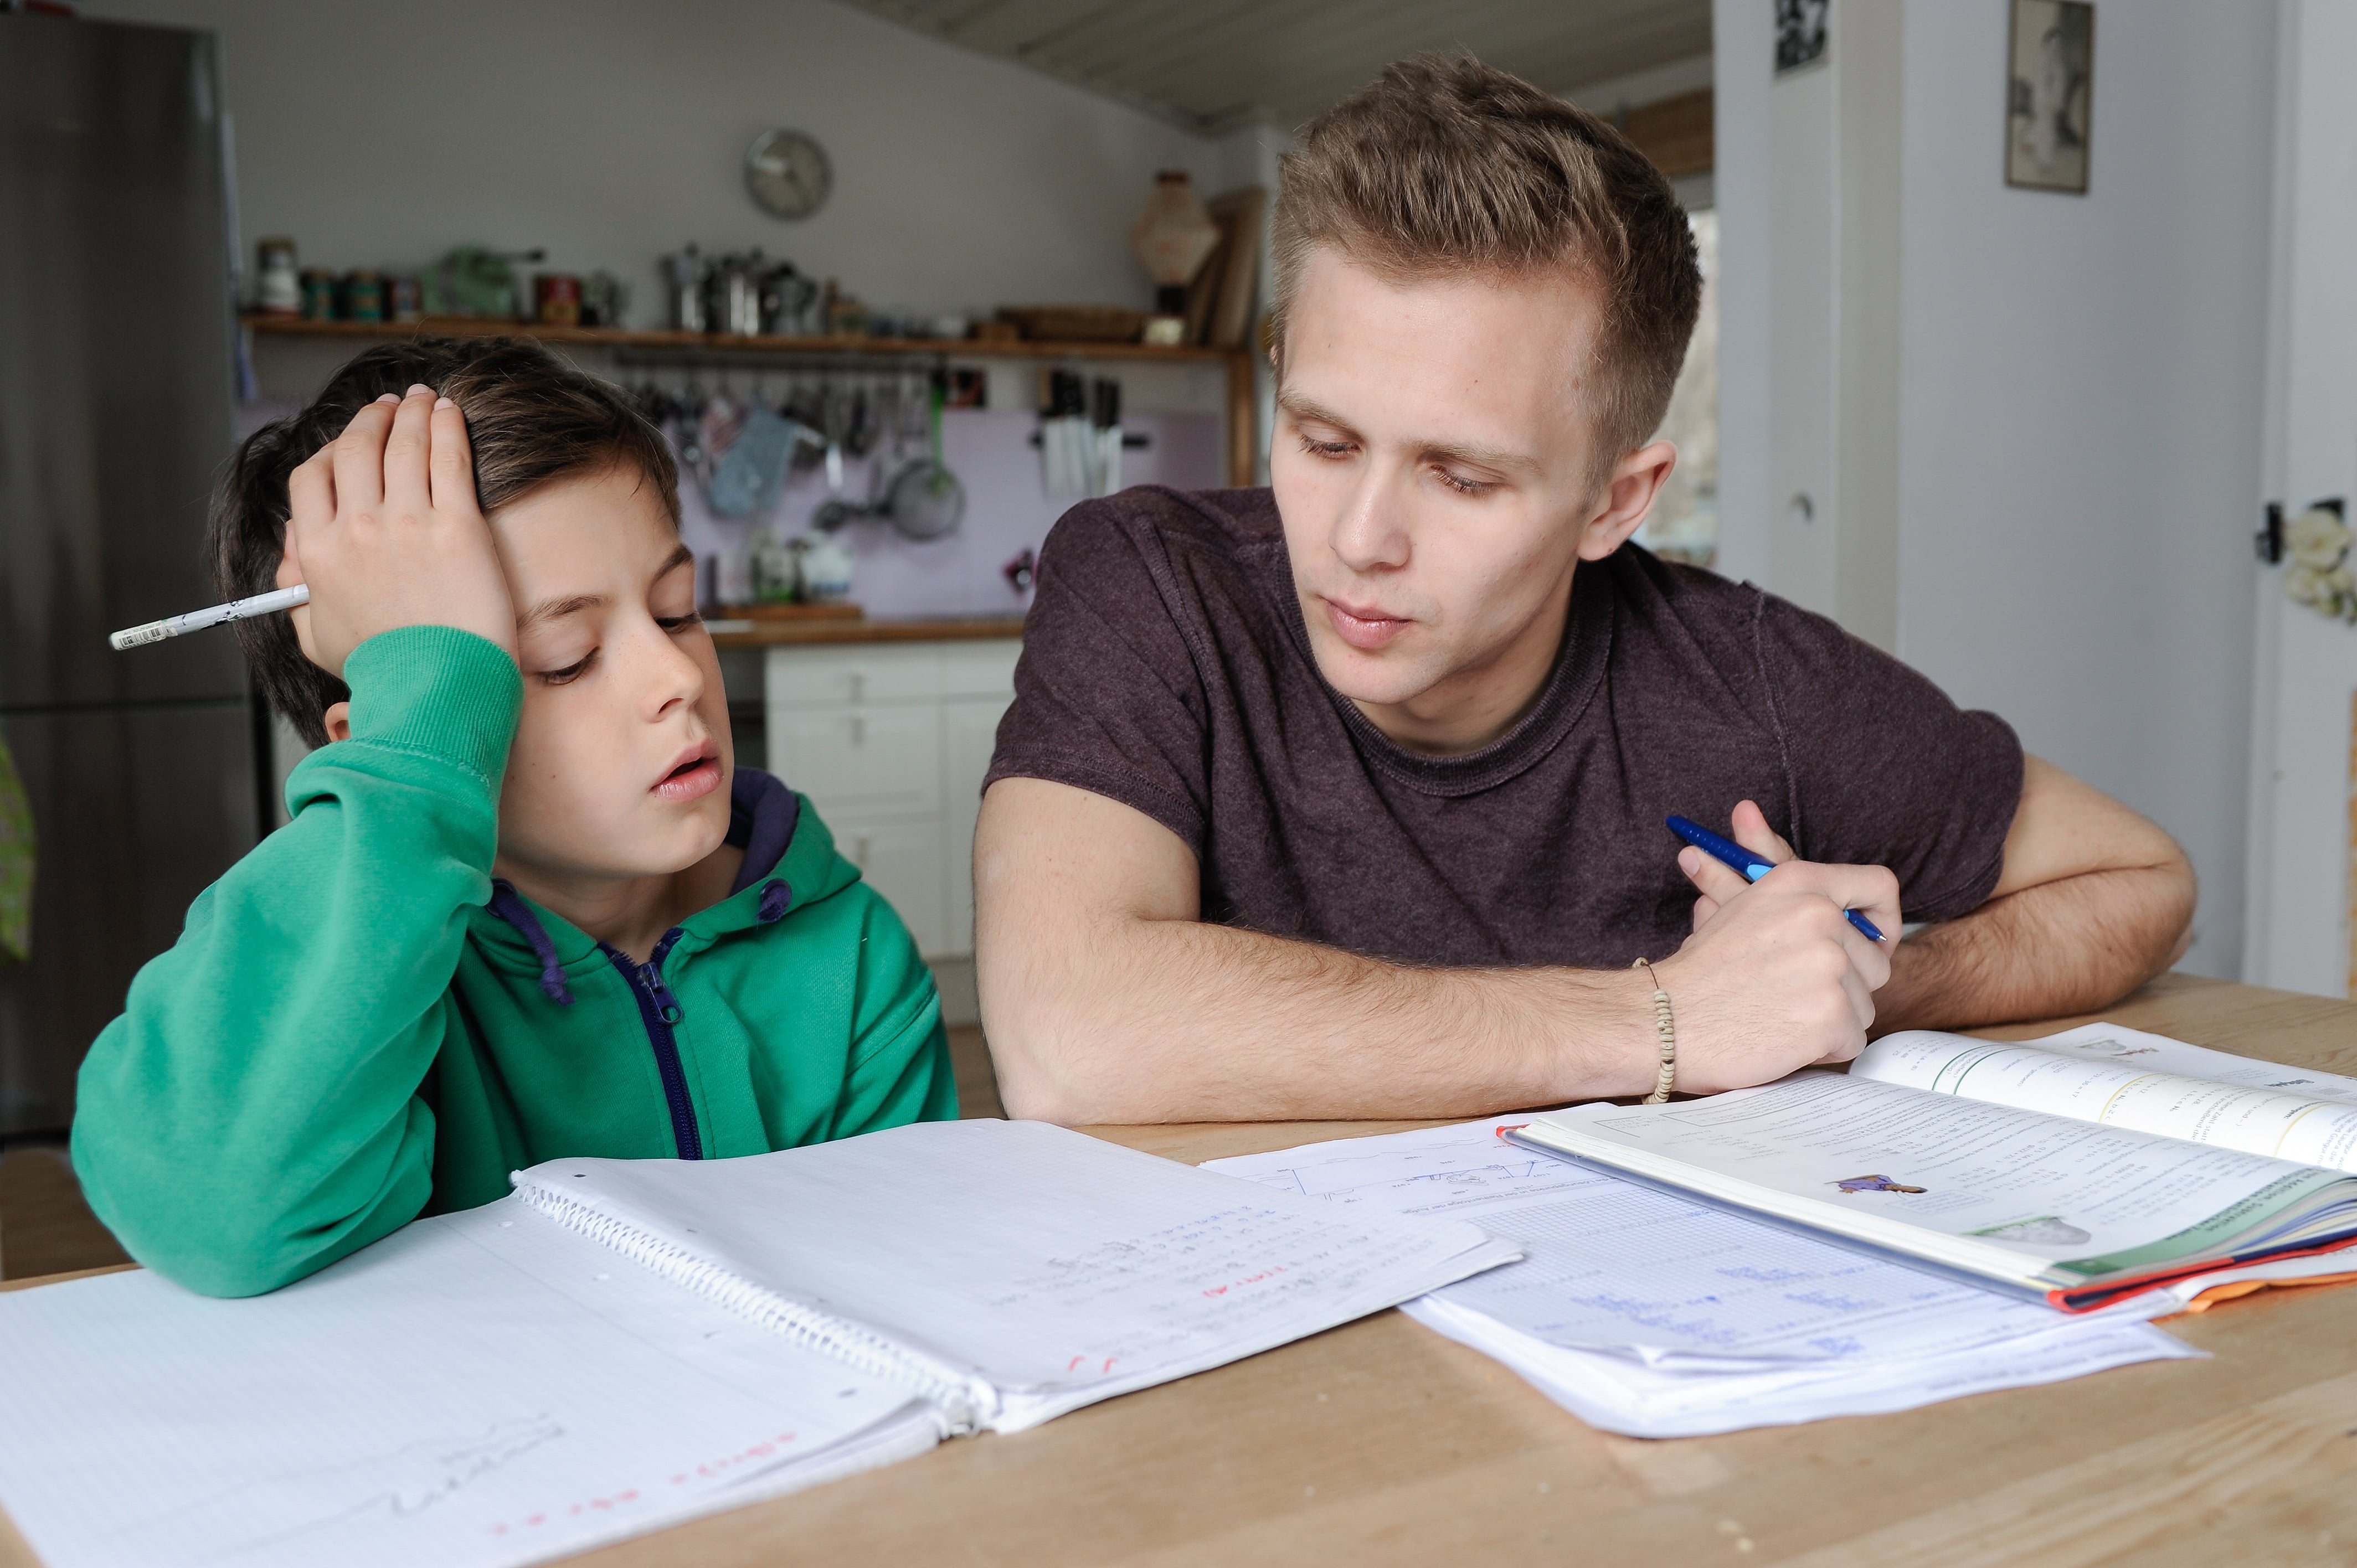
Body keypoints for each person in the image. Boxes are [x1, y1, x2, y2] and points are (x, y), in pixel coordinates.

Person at [975, 56, 2194, 1125]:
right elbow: (1066, 1034)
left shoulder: (1747, 679)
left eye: (1460, 478)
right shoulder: (1147, 580)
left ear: (1616, 500)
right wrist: (1666, 1018)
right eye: (1326, 440)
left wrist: (1844, 987)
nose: (1359, 539)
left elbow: (2140, 882)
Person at [73, 339, 955, 1297]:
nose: (678, 680)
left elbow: (914, 1277)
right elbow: (212, 1211)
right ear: (400, 729)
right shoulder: (383, 991)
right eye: (566, 658)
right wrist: (419, 727)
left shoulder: (846, 951)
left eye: (676, 610)